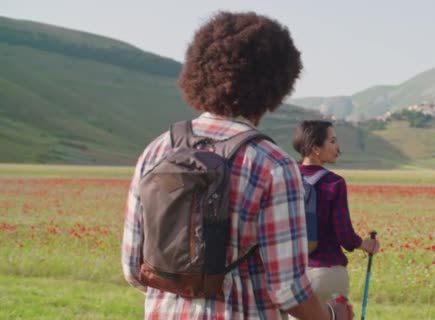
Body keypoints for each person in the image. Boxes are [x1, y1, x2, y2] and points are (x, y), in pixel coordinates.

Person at [121, 11, 352, 320]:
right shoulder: (272, 164)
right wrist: (332, 315)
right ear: (276, 85)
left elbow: (134, 269)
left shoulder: (158, 150)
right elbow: (287, 290)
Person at [291, 120, 380, 302]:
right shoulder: (334, 183)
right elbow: (345, 236)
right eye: (332, 141)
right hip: (326, 274)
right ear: (316, 148)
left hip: (291, 276)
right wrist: (364, 244)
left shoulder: (286, 177)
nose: (337, 147)